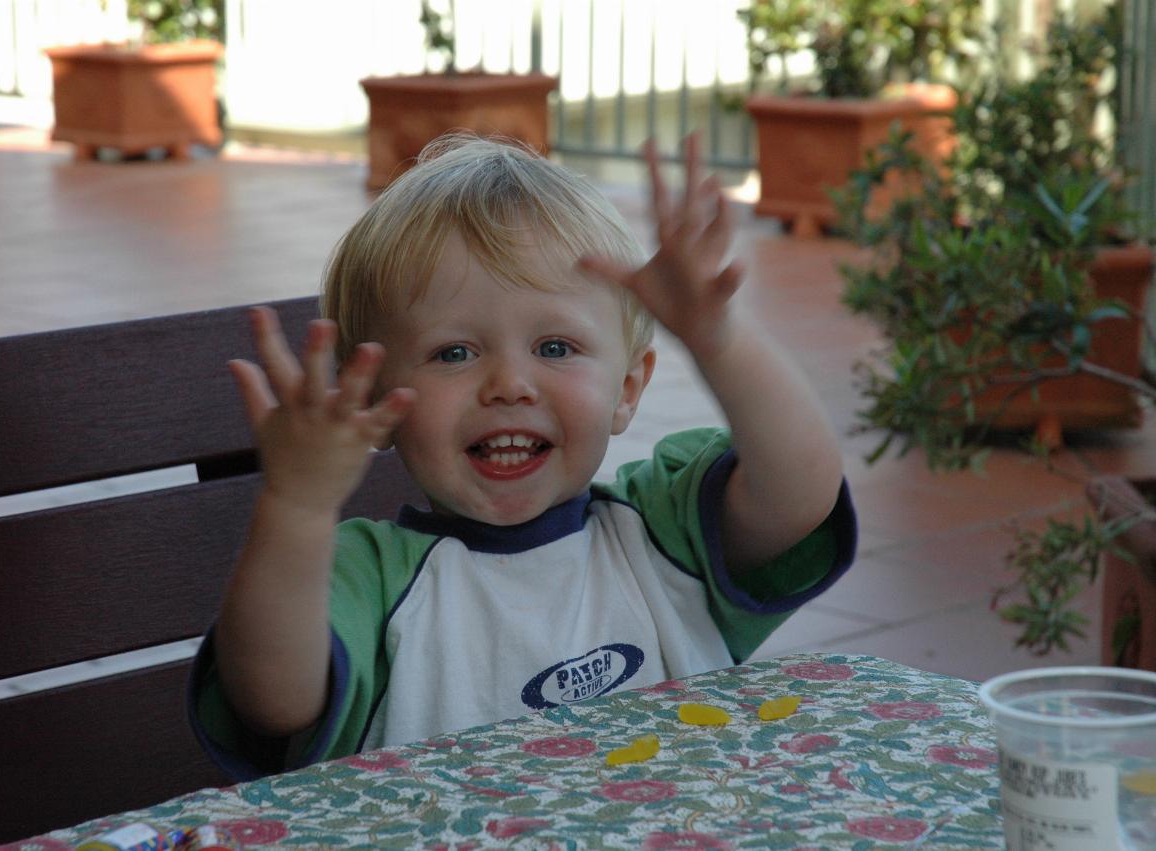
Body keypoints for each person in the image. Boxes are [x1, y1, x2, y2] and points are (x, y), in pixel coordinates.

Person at [189, 133, 855, 779]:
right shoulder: (367, 581)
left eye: (555, 347)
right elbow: (271, 699)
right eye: (454, 352)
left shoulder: (666, 535)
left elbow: (802, 493)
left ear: (627, 389)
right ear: (377, 398)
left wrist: (722, 340)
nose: (509, 383)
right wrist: (297, 504)